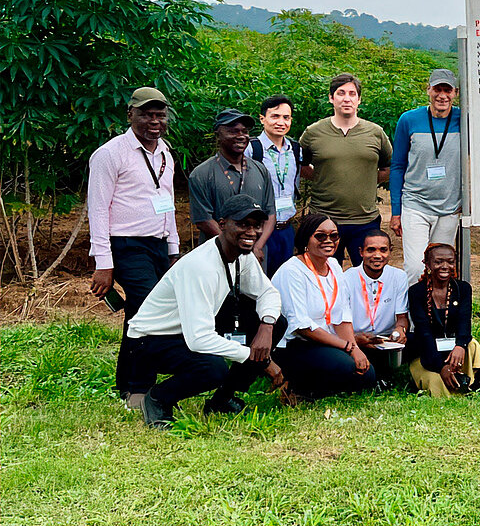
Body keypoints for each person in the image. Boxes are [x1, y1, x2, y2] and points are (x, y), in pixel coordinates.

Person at [127, 195, 286, 427]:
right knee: (212, 368)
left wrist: (267, 325)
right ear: (222, 224)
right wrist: (262, 360)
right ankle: (158, 399)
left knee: (276, 322)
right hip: (150, 340)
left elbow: (267, 293)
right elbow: (199, 339)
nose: (251, 232)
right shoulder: (200, 266)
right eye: (243, 224)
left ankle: (223, 399)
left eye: (256, 225)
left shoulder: (242, 255)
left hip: (190, 328)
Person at [87, 87, 181, 409]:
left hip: (157, 243)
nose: (154, 121)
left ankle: (127, 382)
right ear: (130, 115)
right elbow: (97, 210)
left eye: (160, 115)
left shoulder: (165, 152)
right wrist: (104, 263)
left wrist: (173, 249)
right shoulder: (110, 154)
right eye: (146, 114)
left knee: (138, 313)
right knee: (148, 308)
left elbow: (166, 203)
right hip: (125, 245)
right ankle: (140, 389)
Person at [272, 213, 378, 399]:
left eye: (334, 236)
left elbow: (342, 316)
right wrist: (350, 348)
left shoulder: (334, 265)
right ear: (306, 238)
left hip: (328, 341)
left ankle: (308, 389)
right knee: (348, 368)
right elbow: (302, 327)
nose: (328, 241)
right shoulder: (292, 271)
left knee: (367, 375)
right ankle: (296, 387)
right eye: (320, 236)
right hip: (294, 345)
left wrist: (356, 349)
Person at [299, 73, 393, 264]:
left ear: (359, 100)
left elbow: (389, 166)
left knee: (368, 276)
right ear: (331, 98)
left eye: (352, 93)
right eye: (341, 93)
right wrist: (321, 177)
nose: (347, 98)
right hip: (323, 220)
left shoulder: (375, 133)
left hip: (364, 220)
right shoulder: (313, 132)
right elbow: (300, 165)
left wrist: (365, 179)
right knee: (323, 276)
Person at [390, 69, 463, 284]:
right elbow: (397, 166)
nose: (442, 96)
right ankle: (413, 317)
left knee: (442, 269)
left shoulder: (463, 119)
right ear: (428, 90)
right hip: (416, 205)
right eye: (437, 89)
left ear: (455, 93)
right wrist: (396, 211)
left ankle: (437, 315)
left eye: (447, 90)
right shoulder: (409, 120)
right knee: (415, 268)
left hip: (449, 208)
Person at [188, 109, 277, 256]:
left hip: (255, 253)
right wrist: (235, 245)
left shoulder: (260, 170)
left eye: (244, 131)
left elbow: (270, 214)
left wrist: (257, 247)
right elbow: (204, 220)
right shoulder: (201, 174)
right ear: (218, 135)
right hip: (218, 252)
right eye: (233, 131)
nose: (241, 136)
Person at [407, 243, 480, 396]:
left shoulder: (462, 288)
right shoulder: (416, 292)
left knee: (472, 344)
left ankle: (474, 385)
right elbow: (424, 333)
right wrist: (441, 367)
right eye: (438, 262)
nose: (445, 266)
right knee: (438, 385)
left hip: (455, 350)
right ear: (427, 264)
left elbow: (465, 322)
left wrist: (460, 346)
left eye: (450, 261)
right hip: (427, 352)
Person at [248, 95, 309, 277]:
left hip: (286, 228)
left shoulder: (296, 149)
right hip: (260, 230)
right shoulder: (252, 149)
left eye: (286, 117)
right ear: (262, 119)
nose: (281, 122)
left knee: (284, 280)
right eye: (275, 116)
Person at [341, 230, 410, 377]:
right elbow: (341, 321)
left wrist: (400, 330)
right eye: (371, 250)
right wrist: (354, 340)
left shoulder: (399, 277)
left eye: (383, 250)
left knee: (419, 342)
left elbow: (402, 317)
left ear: (390, 251)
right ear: (361, 252)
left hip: (387, 341)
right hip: (357, 341)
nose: (377, 255)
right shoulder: (347, 278)